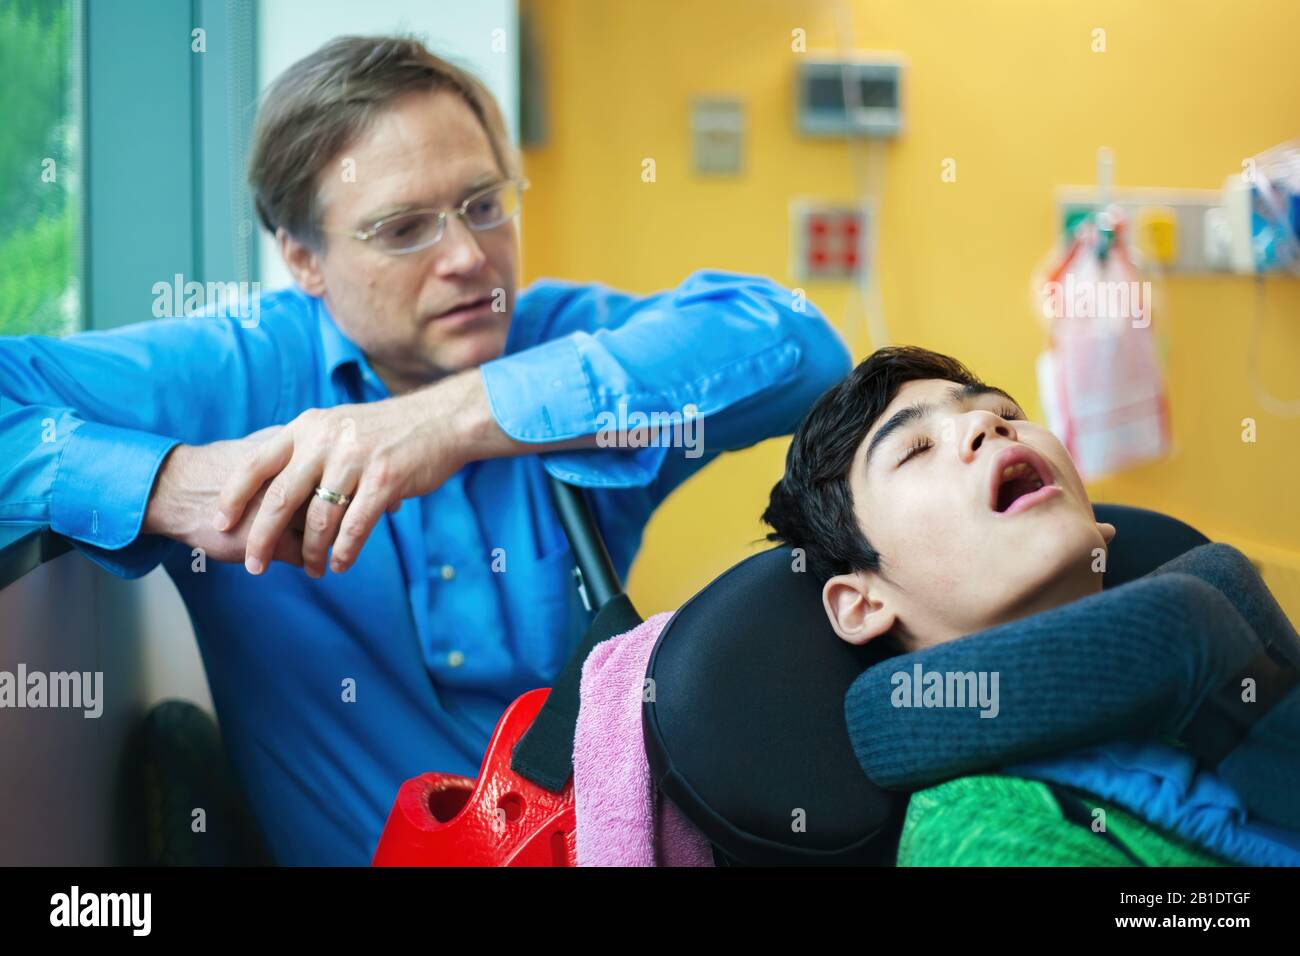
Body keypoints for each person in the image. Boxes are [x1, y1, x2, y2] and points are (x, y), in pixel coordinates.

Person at [0, 36, 851, 865]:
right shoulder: (241, 373)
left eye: (484, 204)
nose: (469, 257)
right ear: (303, 257)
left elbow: (802, 348)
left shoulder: (558, 340)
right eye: (404, 228)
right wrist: (172, 484)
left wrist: (448, 422)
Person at [761, 346, 1300, 865]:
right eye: (916, 449)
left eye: (1004, 412)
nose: (988, 427)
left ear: (1097, 527)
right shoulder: (982, 837)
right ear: (862, 604)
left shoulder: (1237, 645)